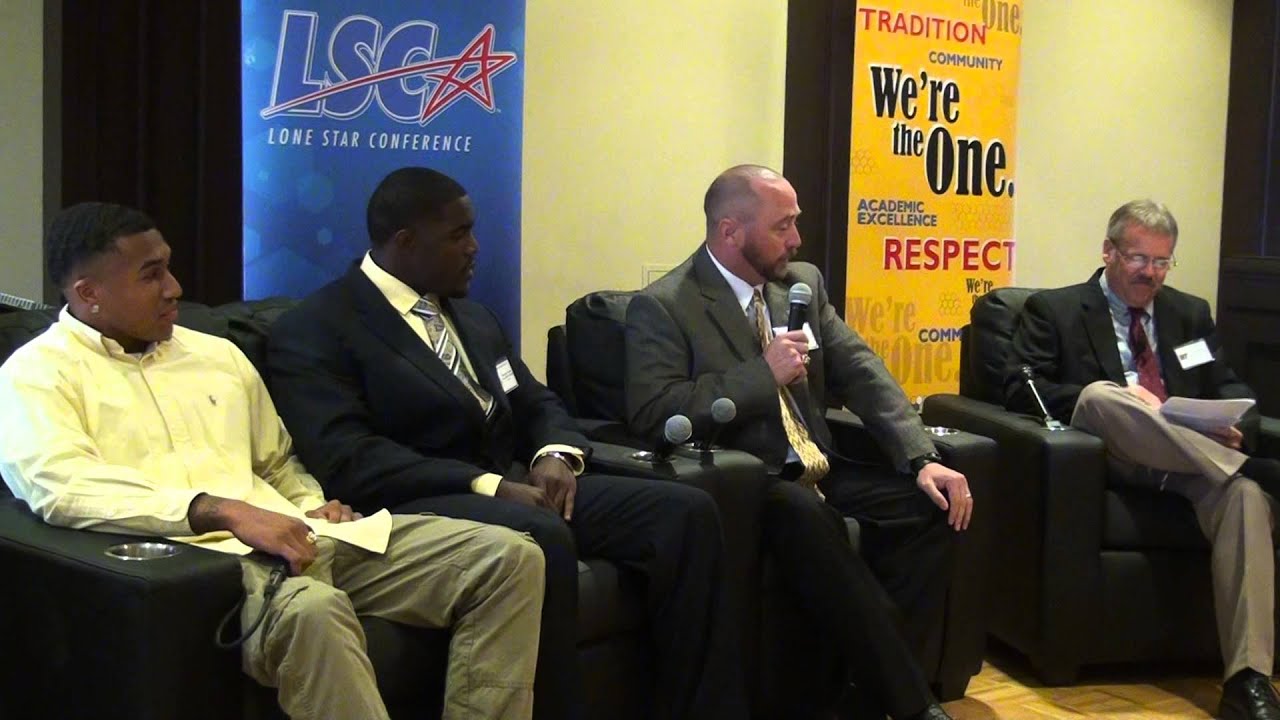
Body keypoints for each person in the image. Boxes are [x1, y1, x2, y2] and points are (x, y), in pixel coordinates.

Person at [0, 202, 546, 720]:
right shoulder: (37, 375)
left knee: (508, 557)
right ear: (89, 293)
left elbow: (276, 463)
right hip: (210, 567)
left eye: (168, 268)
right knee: (315, 613)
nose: (175, 288)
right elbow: (61, 487)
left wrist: (314, 503)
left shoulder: (216, 355)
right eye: (150, 275)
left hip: (304, 536)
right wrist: (220, 511)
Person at [266, 166, 742, 720]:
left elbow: (533, 401)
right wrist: (486, 484)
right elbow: (350, 458)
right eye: (457, 235)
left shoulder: (471, 315)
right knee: (539, 533)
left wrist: (554, 454)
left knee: (685, 512)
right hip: (415, 502)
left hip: (516, 481)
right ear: (405, 242)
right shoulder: (319, 326)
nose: (474, 249)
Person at [624, 164, 971, 720]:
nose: (797, 240)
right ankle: (911, 707)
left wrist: (922, 456)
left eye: (796, 224)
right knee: (803, 513)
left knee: (932, 507)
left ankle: (861, 694)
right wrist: (760, 374)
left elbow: (861, 369)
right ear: (730, 231)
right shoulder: (665, 306)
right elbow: (653, 412)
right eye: (783, 227)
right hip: (749, 482)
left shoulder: (799, 286)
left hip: (820, 465)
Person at [1006, 199, 1280, 720]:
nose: (1150, 273)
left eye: (1161, 262)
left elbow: (1229, 385)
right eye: (1139, 259)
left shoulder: (1189, 313)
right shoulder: (1056, 310)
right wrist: (1137, 405)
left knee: (1245, 499)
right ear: (1109, 251)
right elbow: (1024, 390)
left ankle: (1248, 680)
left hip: (1187, 465)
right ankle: (1238, 467)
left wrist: (1236, 423)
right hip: (1112, 452)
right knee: (1102, 397)